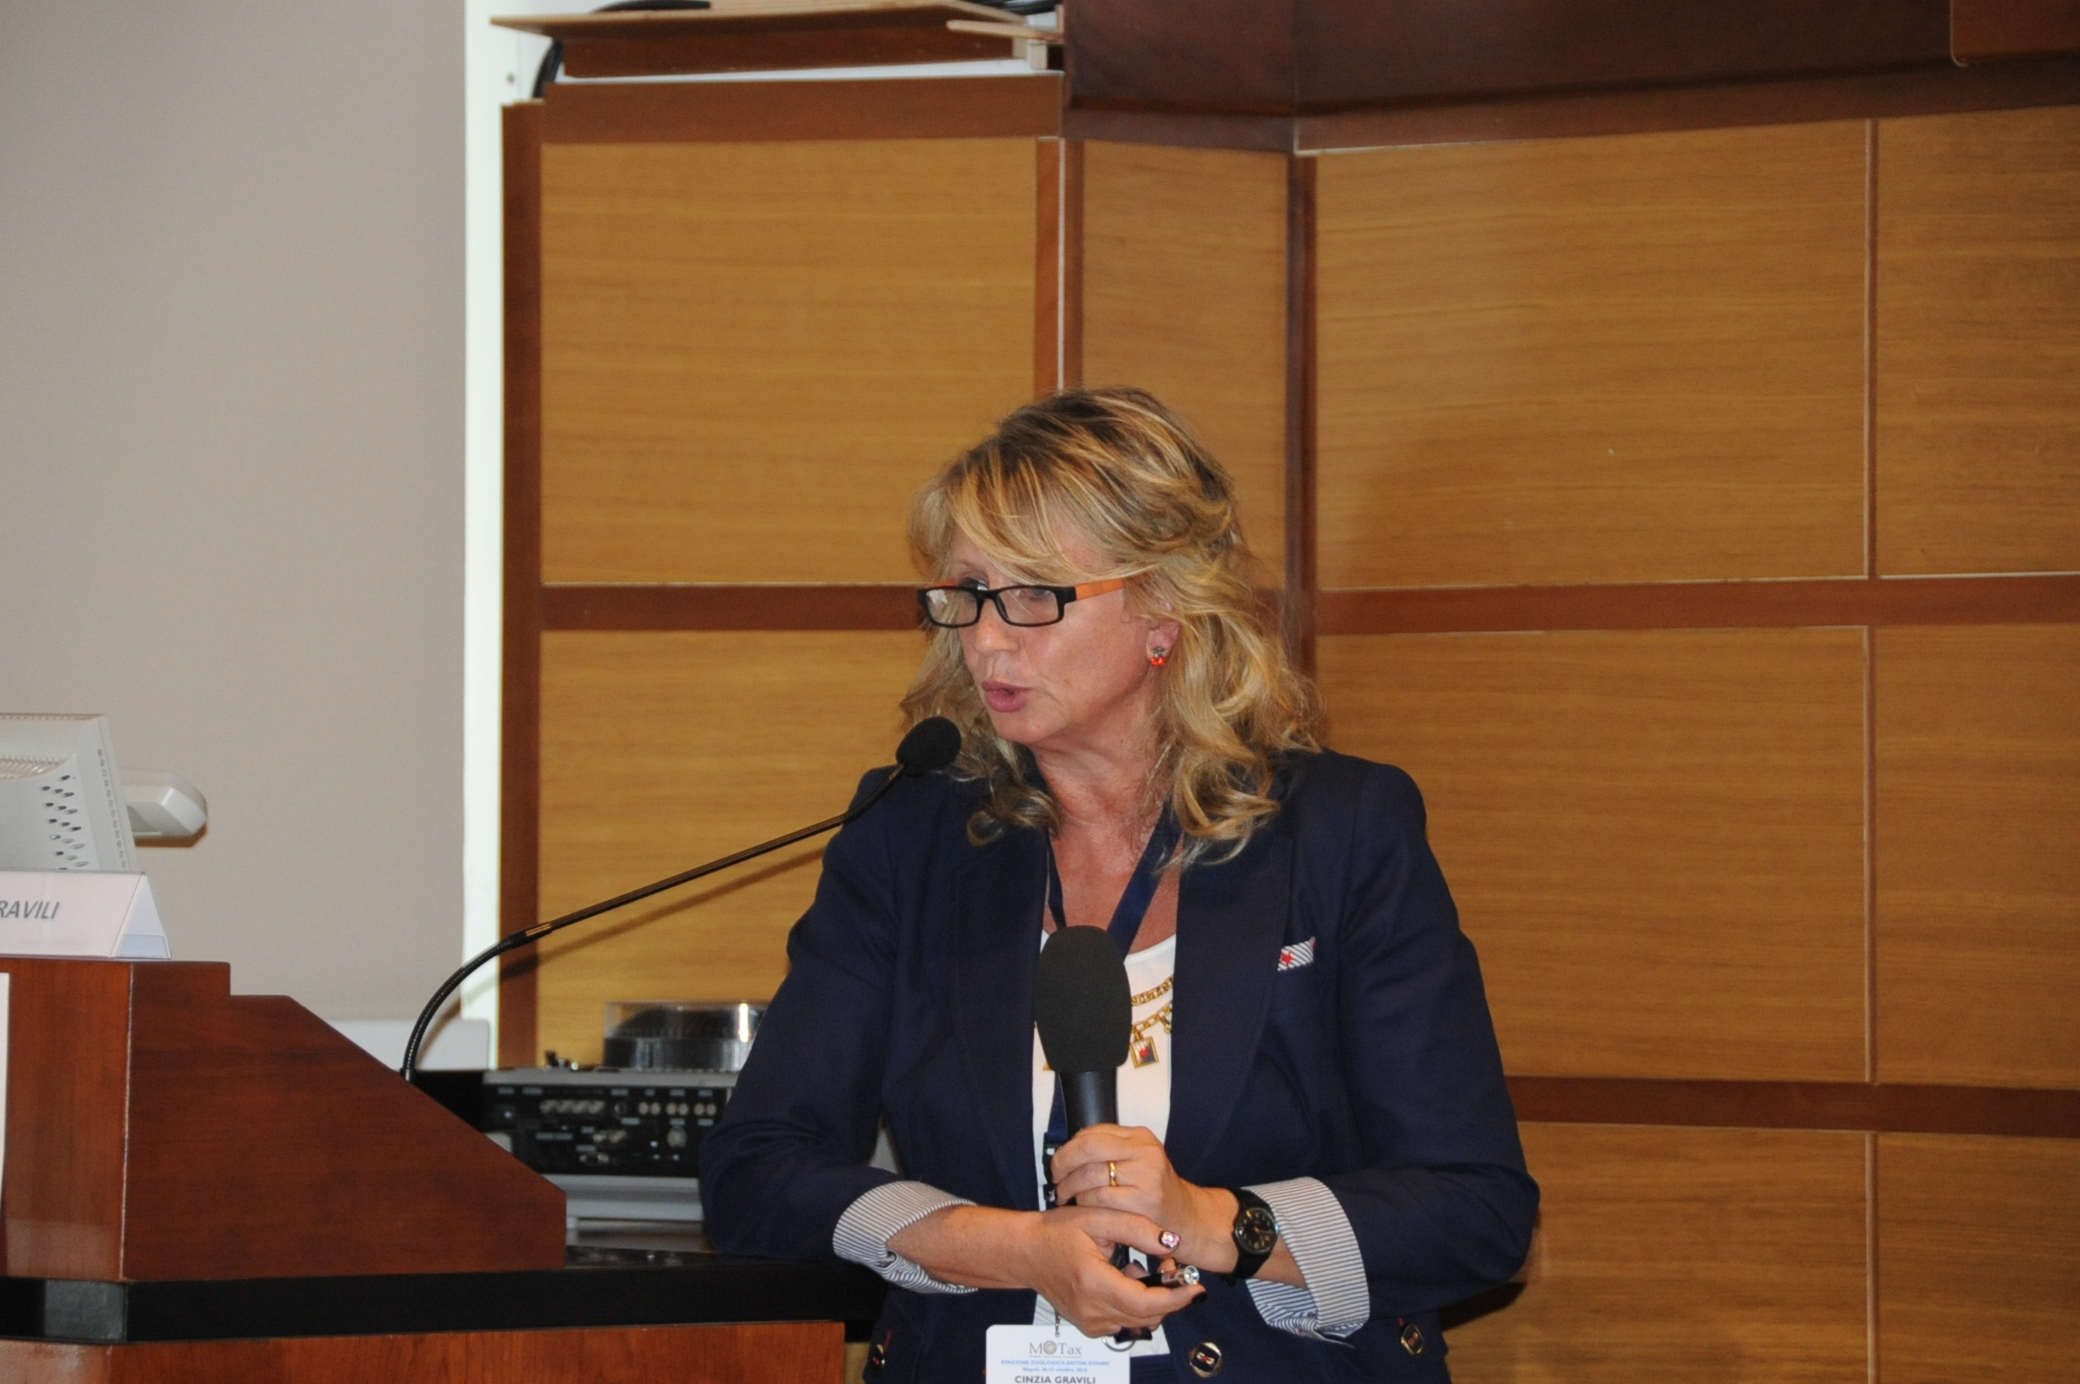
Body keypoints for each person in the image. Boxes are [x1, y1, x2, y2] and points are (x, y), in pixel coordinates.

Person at [700, 388, 1537, 1382]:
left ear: (1164, 608)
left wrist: (1216, 1222)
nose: (986, 639)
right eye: (967, 592)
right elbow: (759, 1169)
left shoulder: (1339, 833)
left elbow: (1476, 1211)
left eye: (1034, 595)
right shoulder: (909, 836)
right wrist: (1014, 1248)